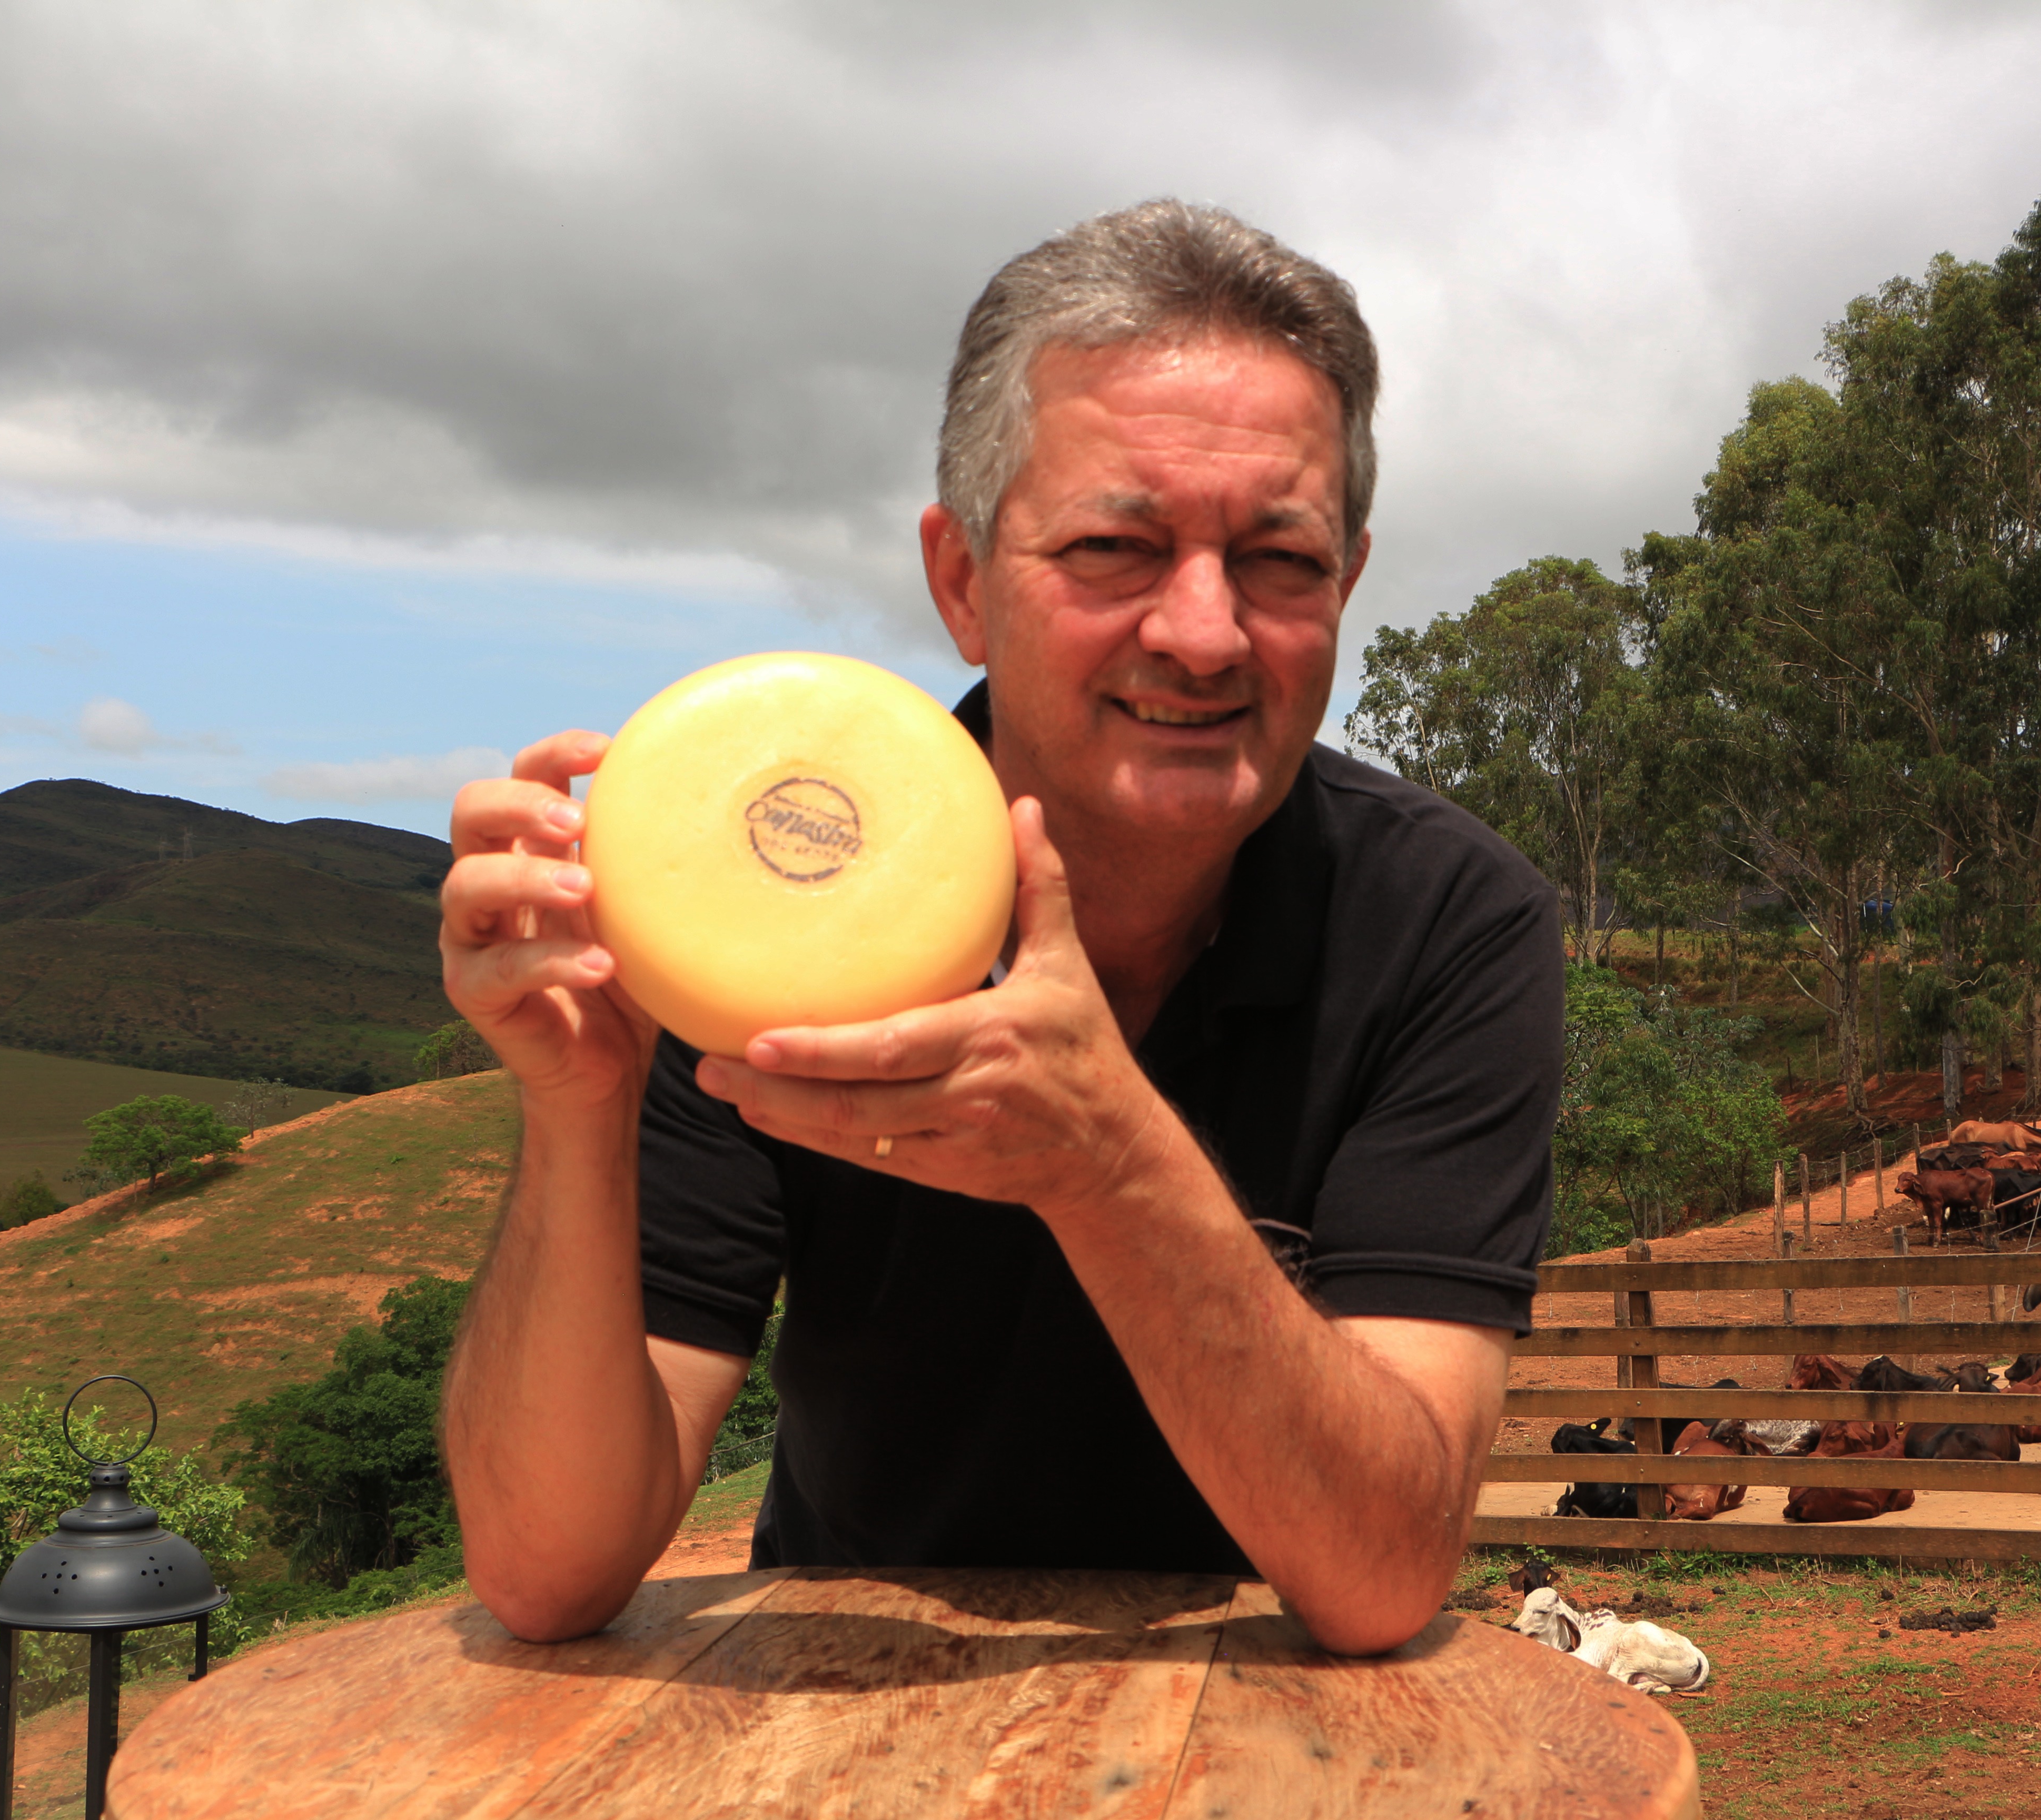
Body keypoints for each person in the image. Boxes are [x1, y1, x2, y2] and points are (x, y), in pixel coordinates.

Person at [439, 200, 1561, 1656]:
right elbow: (545, 1574)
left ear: (1345, 579)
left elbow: (1382, 1577)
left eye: (1281, 561)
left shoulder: (1446, 922)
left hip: (1277, 1712)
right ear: (963, 582)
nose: (1205, 632)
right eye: (1116, 547)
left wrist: (1107, 1163)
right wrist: (577, 1112)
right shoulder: (767, 916)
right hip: (841, 1702)